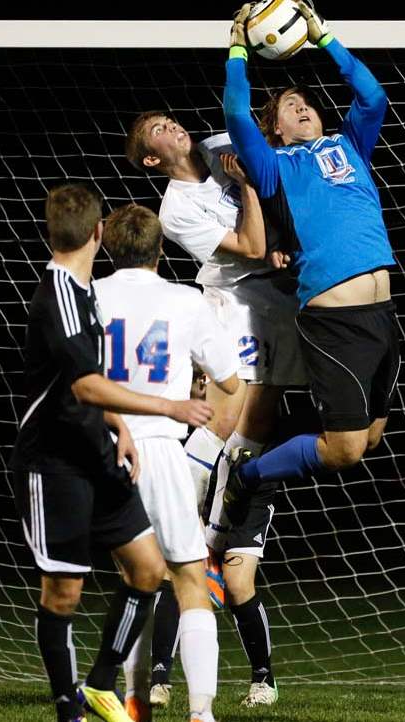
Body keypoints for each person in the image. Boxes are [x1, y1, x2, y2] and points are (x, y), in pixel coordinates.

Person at [8, 184, 214, 722]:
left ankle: (102, 683)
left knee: (148, 571)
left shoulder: (85, 292)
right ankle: (68, 708)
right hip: (55, 466)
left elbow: (83, 386)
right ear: (98, 232)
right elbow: (85, 386)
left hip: (98, 452)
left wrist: (118, 423)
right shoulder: (58, 295)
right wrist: (168, 409)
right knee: (63, 596)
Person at [124, 119, 309, 707]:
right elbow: (250, 246)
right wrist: (253, 190)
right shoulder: (176, 209)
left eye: (169, 119)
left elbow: (279, 184)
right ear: (152, 159)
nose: (171, 126)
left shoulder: (222, 144)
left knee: (228, 566)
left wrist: (279, 223)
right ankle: (156, 674)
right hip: (233, 298)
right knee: (187, 551)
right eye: (157, 129)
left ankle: (260, 676)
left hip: (279, 296)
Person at [221, 2, 400, 505]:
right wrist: (238, 47)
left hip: (383, 315)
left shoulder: (350, 146)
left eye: (306, 102)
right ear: (274, 128)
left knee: (369, 440)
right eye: (288, 106)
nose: (302, 108)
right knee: (344, 451)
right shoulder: (274, 166)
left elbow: (373, 94)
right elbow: (236, 113)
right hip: (334, 320)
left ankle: (257, 472)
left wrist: (324, 38)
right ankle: (247, 478)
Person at [94, 203, 240, 722]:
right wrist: (198, 387)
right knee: (190, 579)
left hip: (104, 452)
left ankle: (132, 705)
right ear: (161, 249)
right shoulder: (186, 300)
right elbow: (230, 380)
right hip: (161, 447)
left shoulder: (90, 296)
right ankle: (201, 713)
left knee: (134, 583)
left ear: (108, 246)